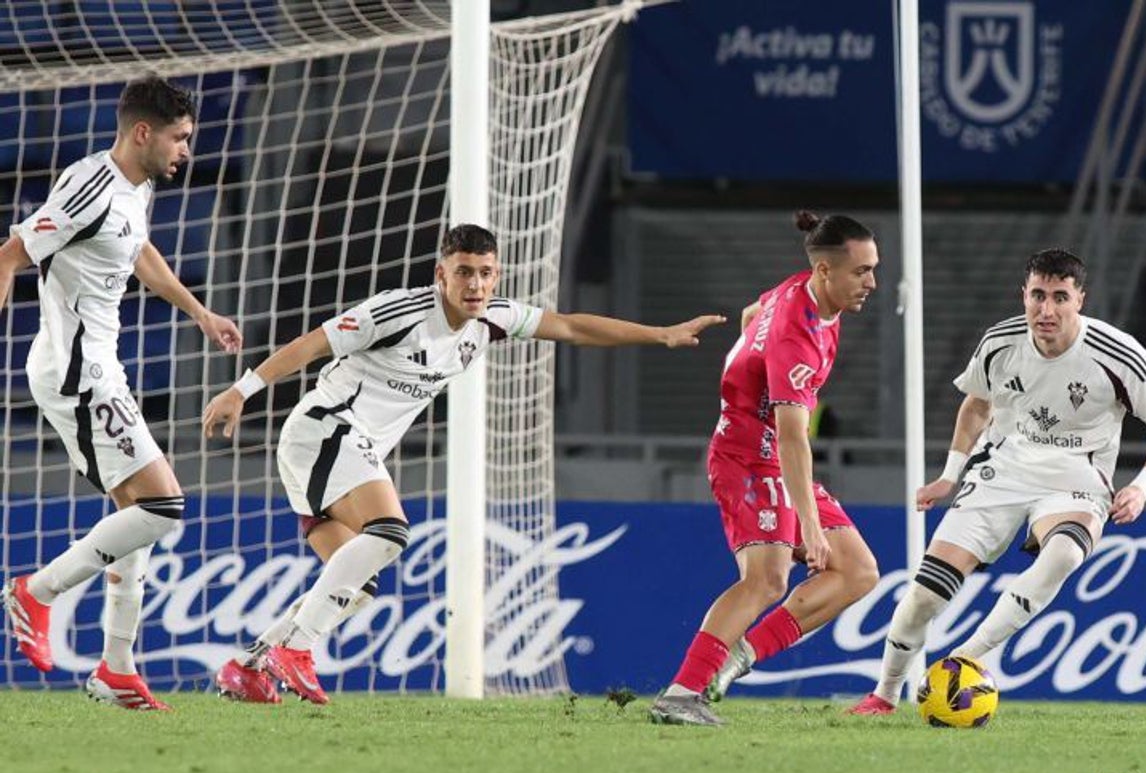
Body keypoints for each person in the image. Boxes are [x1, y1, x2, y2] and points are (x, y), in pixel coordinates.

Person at [203, 223, 725, 704]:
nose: (475, 285)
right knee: (389, 531)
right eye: (464, 273)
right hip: (324, 430)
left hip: (343, 449)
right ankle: (296, 650)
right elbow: (313, 343)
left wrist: (660, 334)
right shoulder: (399, 312)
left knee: (353, 590)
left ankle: (248, 667)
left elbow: (569, 326)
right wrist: (241, 390)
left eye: (485, 273)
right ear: (441, 274)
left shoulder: (491, 319)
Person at [849, 248, 1146, 715]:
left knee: (1065, 552)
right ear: (1023, 295)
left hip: (1075, 479)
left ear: (1080, 300)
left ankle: (964, 660)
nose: (1047, 310)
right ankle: (883, 695)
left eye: (1060, 298)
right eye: (1038, 296)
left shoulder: (1118, 353)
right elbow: (976, 405)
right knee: (926, 594)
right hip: (1001, 472)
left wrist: (1142, 486)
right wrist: (950, 475)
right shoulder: (1001, 342)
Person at [0, 76, 243, 710]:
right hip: (77, 373)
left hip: (101, 366)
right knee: (164, 505)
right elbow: (9, 254)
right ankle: (37, 592)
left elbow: (141, 255)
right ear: (143, 133)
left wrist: (201, 313)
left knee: (132, 517)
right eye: (179, 138)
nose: (186, 150)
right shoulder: (88, 185)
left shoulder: (136, 190)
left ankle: (115, 667)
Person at [648, 211, 882, 726]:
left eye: (872, 269)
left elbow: (752, 312)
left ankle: (736, 656)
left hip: (768, 452)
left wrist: (747, 365)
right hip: (749, 458)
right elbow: (795, 437)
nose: (872, 282)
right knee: (767, 579)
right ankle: (682, 693)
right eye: (861, 271)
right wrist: (812, 529)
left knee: (859, 572)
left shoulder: (801, 291)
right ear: (825, 271)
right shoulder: (797, 336)